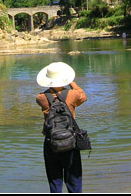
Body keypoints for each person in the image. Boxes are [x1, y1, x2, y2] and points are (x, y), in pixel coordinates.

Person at [36, 62, 87, 193]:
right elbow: (83, 97)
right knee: (74, 180)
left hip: (50, 142)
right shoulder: (72, 95)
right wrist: (71, 82)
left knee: (54, 181)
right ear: (64, 78)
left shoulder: (41, 97)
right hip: (70, 141)